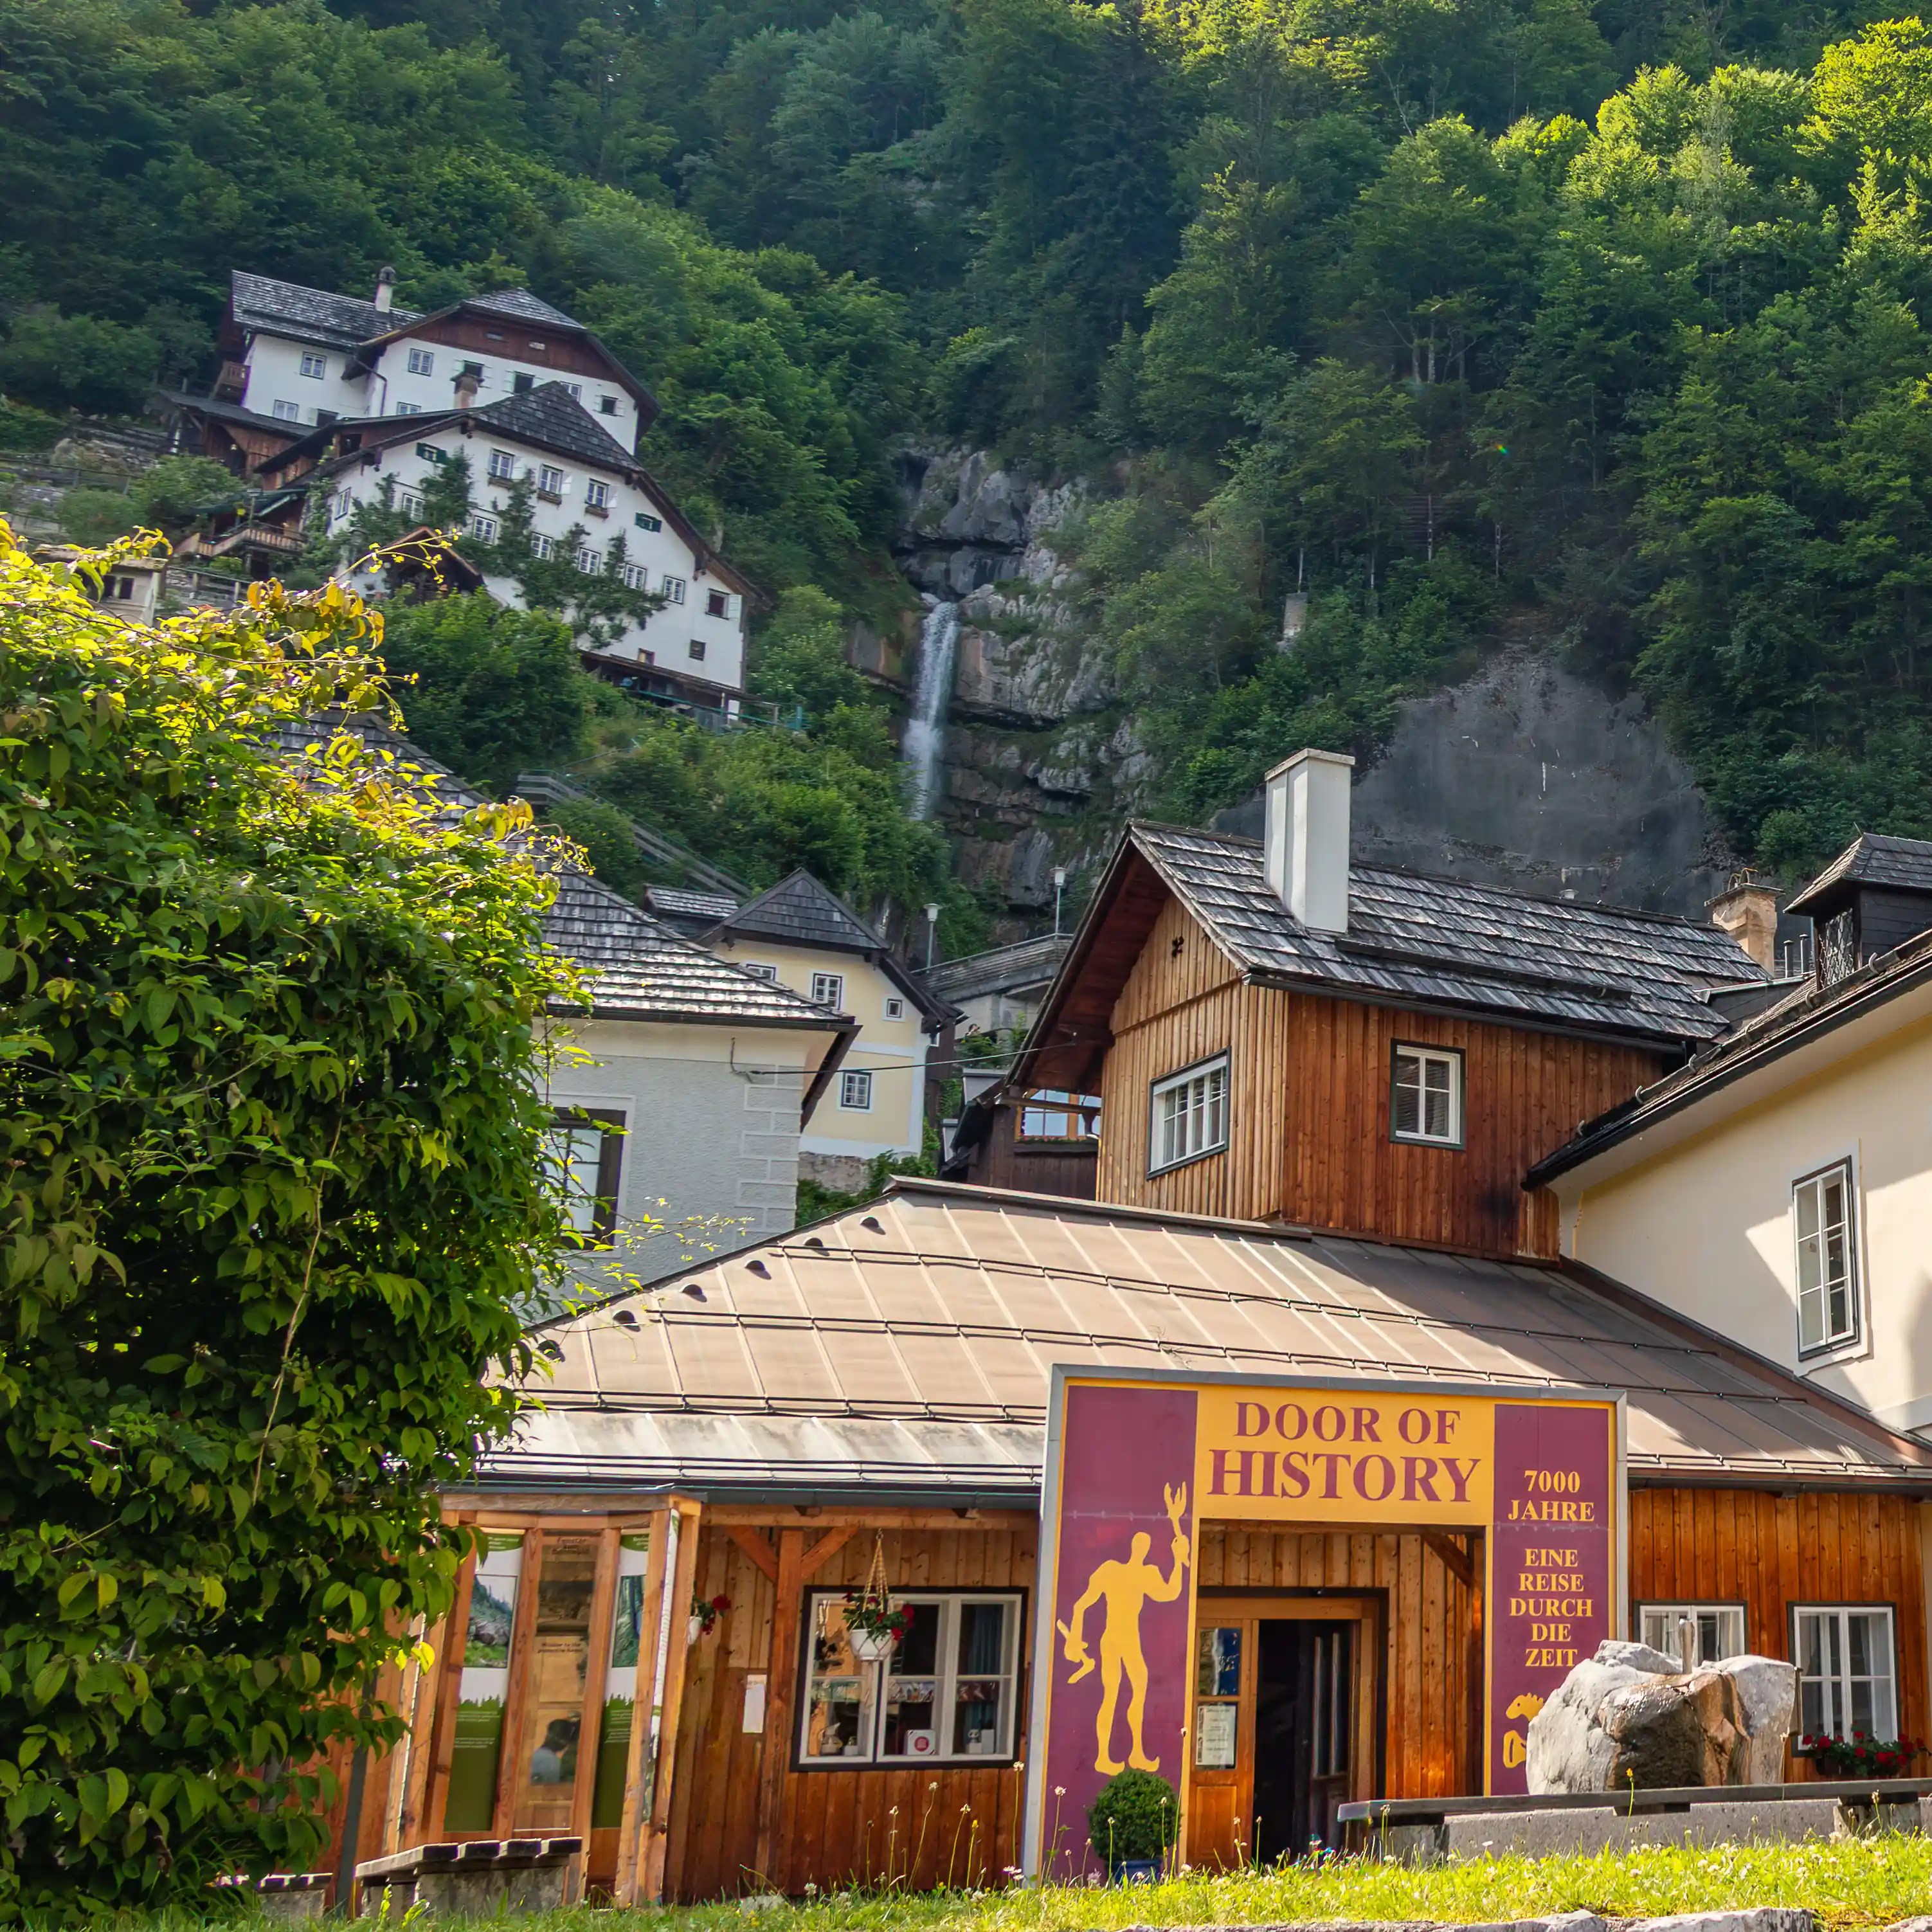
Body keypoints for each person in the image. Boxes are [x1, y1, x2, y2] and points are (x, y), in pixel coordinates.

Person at [1058, 1485, 1189, 1774]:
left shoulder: (1146, 1574)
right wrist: (1076, 1639)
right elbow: (1082, 1604)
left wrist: (1179, 1561)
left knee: (1139, 1688)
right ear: (1133, 1547)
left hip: (1130, 1638)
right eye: (1139, 1545)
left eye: (1145, 1546)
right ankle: (1104, 1756)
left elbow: (1171, 1592)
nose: (1141, 1549)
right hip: (1112, 1638)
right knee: (1112, 1693)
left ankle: (1137, 1753)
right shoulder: (1111, 1570)